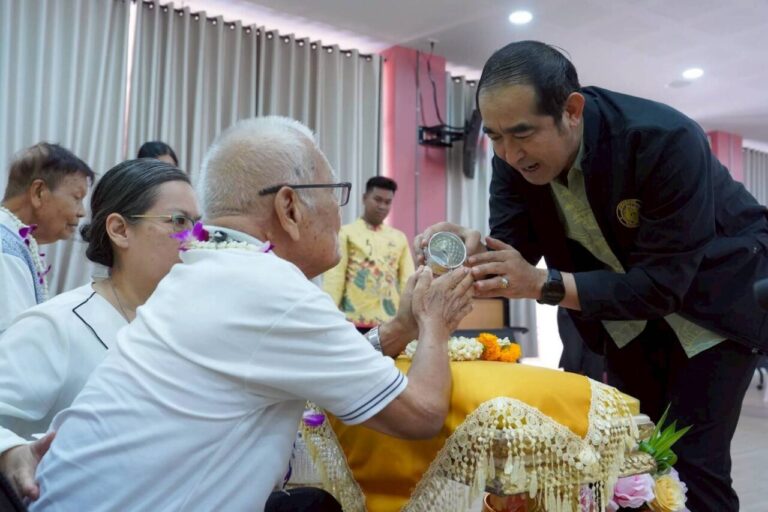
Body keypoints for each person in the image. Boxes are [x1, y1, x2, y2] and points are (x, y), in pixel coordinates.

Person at [31, 116, 474, 512]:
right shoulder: (272, 288)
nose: (338, 216)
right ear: (289, 207)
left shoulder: (203, 270)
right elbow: (421, 414)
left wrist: (403, 326)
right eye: (333, 194)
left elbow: (304, 359)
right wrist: (435, 323)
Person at [415, 40, 767, 511]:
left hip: (711, 309)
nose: (510, 153)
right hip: (623, 319)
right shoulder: (512, 158)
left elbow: (662, 285)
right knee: (626, 455)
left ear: (572, 110)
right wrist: (474, 250)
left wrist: (543, 283)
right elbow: (516, 246)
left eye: (522, 134)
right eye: (495, 137)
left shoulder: (663, 140)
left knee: (693, 466)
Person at [0, 159, 198, 502]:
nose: (195, 240)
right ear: (120, 230)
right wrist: (11, 453)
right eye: (179, 222)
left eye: (198, 225)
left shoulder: (180, 325)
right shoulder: (57, 325)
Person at [0, 143, 93, 333]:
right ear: (39, 193)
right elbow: (13, 339)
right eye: (77, 198)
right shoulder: (4, 249)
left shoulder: (13, 240)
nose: (82, 212)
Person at [323, 176, 414, 332]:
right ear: (364, 198)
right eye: (377, 200)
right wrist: (328, 317)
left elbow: (408, 280)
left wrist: (409, 317)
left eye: (387, 202)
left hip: (390, 322)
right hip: (353, 321)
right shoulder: (346, 233)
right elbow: (335, 277)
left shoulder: (399, 238)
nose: (382, 206)